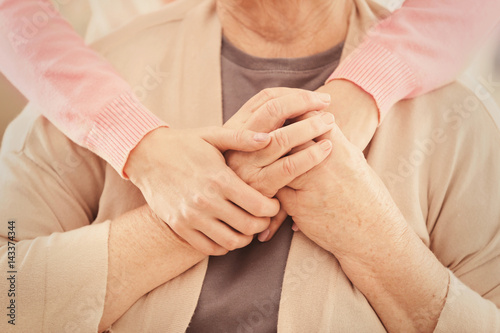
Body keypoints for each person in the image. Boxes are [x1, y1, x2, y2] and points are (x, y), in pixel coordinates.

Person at [1, 0, 499, 332]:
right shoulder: (82, 95)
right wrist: (174, 225)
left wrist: (370, 236)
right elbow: (10, 299)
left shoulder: (460, 120)